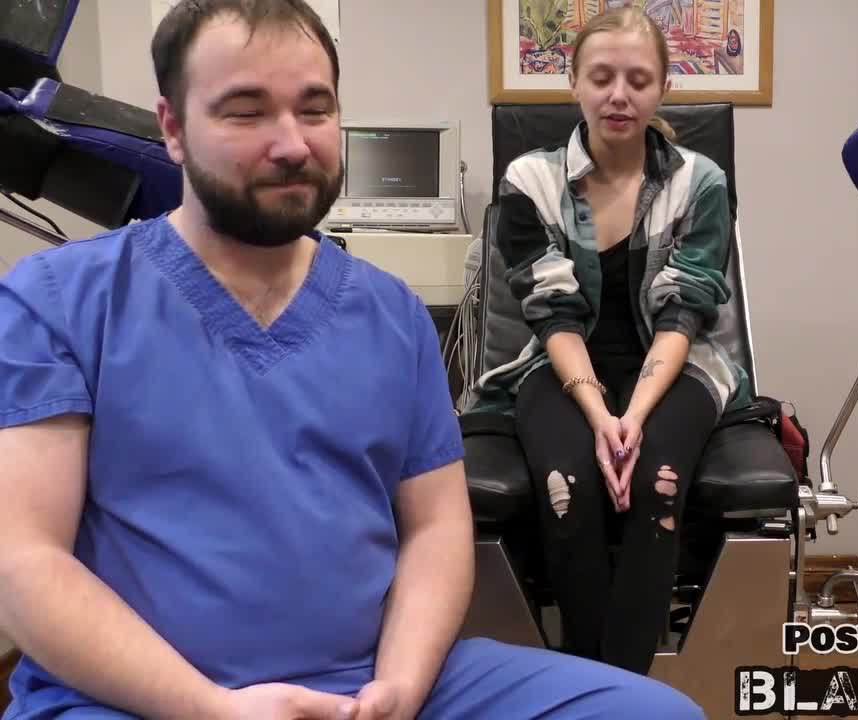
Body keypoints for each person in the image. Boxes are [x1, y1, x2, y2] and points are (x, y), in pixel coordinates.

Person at [0, 1, 706, 718]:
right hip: (139, 698)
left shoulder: (391, 314)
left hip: (371, 681)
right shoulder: (59, 302)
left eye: (315, 110)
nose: (291, 144)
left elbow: (435, 529)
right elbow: (24, 558)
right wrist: (214, 710)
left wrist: (398, 686)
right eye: (246, 112)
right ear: (173, 129)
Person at [468, 7, 751, 675]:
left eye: (638, 79)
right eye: (601, 78)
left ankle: (623, 691)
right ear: (574, 83)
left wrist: (635, 418)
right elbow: (554, 314)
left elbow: (683, 315)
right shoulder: (530, 181)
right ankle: (591, 682)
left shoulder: (700, 182)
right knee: (568, 486)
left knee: (657, 484)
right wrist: (601, 417)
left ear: (663, 88)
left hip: (677, 365)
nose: (619, 95)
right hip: (559, 365)